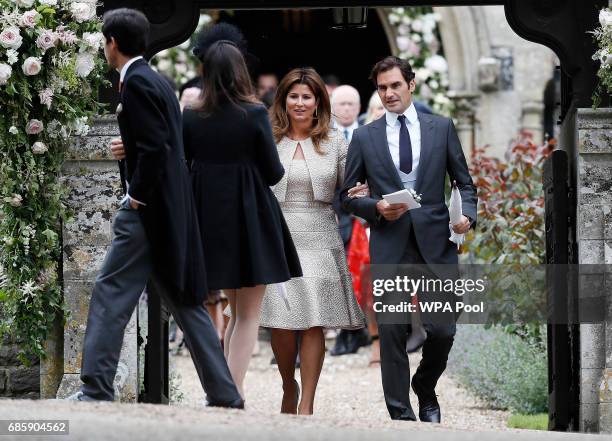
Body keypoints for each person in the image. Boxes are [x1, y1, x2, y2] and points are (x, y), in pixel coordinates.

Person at [66, 8, 243, 409]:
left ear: (112, 42)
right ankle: (225, 393)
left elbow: (156, 148)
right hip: (167, 213)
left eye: (104, 41)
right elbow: (159, 141)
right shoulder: (156, 81)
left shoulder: (138, 84)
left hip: (146, 214)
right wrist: (128, 154)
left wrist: (135, 197)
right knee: (184, 301)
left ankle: (95, 389)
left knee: (110, 292)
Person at [341, 56, 477, 423]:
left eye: (395, 85)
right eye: (382, 88)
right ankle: (401, 416)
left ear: (411, 85)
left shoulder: (441, 127)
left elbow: (464, 182)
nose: (388, 94)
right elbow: (347, 197)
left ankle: (425, 387)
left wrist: (468, 216)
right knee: (392, 329)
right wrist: (376, 207)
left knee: (443, 330)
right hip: (389, 242)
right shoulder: (365, 137)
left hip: (437, 241)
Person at [182, 40, 302, 400]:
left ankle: (226, 390)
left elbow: (184, 162)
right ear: (239, 72)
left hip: (207, 217)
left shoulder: (190, 115)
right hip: (249, 217)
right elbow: (274, 171)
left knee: (232, 310)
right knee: (247, 314)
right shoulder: (253, 113)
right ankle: (229, 393)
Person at [259, 67, 365, 416]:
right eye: (294, 96)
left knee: (314, 319)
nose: (300, 103)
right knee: (282, 319)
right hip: (278, 234)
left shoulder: (335, 141)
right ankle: (289, 384)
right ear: (284, 100)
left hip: (321, 234)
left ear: (319, 101)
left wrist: (365, 192)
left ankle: (307, 404)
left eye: (307, 96)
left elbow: (353, 187)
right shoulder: (267, 137)